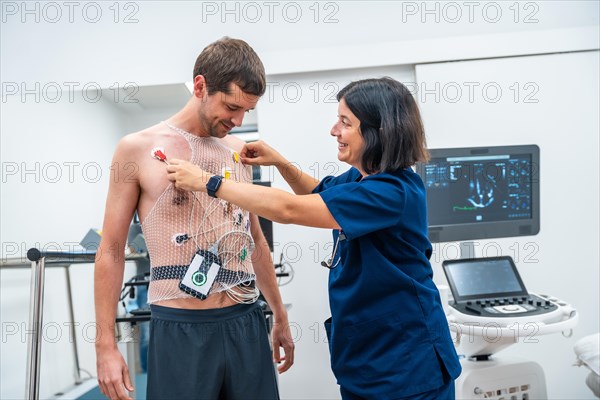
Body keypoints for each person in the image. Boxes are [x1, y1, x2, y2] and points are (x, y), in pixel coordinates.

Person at [166, 77, 462, 399]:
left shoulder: (392, 192)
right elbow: (320, 193)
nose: (334, 130)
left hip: (407, 366)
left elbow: (291, 209)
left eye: (345, 122)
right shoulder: (364, 178)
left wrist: (207, 182)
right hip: (372, 358)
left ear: (379, 132)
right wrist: (279, 162)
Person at [94, 37, 294, 400]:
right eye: (232, 106)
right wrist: (105, 345)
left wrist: (278, 314)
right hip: (181, 327)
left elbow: (254, 242)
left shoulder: (237, 152)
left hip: (246, 319)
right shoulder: (136, 149)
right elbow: (110, 249)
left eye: (247, 110)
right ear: (200, 86)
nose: (238, 120)